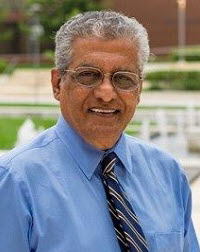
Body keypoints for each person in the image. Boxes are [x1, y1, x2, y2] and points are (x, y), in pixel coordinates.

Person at [0, 11, 199, 252]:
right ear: (57, 84)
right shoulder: (15, 182)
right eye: (88, 75)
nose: (106, 93)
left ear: (138, 90)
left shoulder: (168, 173)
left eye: (123, 78)